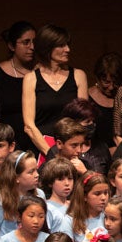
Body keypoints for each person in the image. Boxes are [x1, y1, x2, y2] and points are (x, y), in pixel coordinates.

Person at [22, 23, 88, 155]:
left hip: (72, 150)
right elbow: (29, 126)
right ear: (48, 48)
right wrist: (52, 154)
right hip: (41, 149)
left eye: (68, 44)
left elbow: (83, 120)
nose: (67, 49)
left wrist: (70, 150)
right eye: (61, 45)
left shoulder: (78, 76)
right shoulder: (31, 79)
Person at [0, 20, 36, 150]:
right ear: (11, 46)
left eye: (34, 42)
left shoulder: (39, 75)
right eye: (26, 42)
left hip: (35, 142)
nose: (32, 47)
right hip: (5, 143)